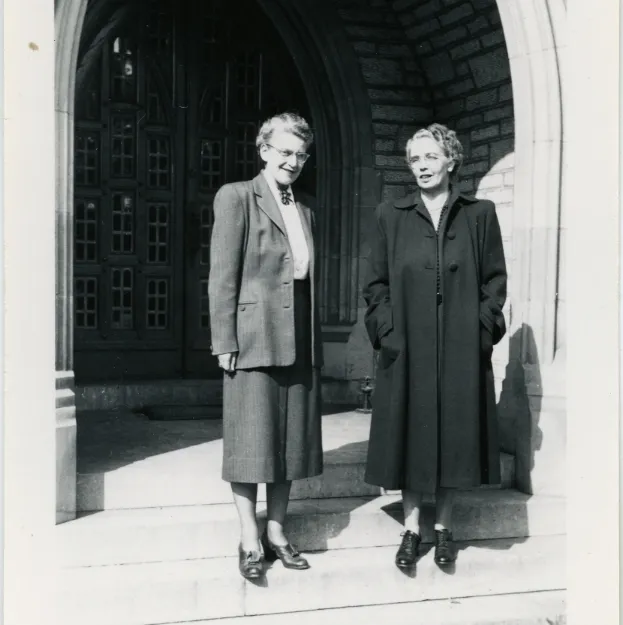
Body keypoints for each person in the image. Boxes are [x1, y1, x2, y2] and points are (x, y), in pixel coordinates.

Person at [363, 123, 507, 570]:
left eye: (429, 157)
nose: (421, 166)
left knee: (454, 434)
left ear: (451, 159)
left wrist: (483, 329)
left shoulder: (478, 213)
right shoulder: (392, 214)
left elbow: (494, 281)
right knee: (410, 430)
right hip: (407, 342)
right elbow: (375, 284)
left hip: (461, 344)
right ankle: (411, 529)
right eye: (414, 159)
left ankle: (443, 528)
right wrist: (387, 332)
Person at [208, 112, 323, 580]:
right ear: (263, 150)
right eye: (284, 151)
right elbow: (223, 274)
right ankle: (249, 538)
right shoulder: (237, 196)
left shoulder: (305, 207)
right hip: (253, 336)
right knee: (249, 441)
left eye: (300, 154)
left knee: (289, 442)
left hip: (298, 334)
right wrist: (224, 339)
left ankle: (277, 531)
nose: (292, 161)